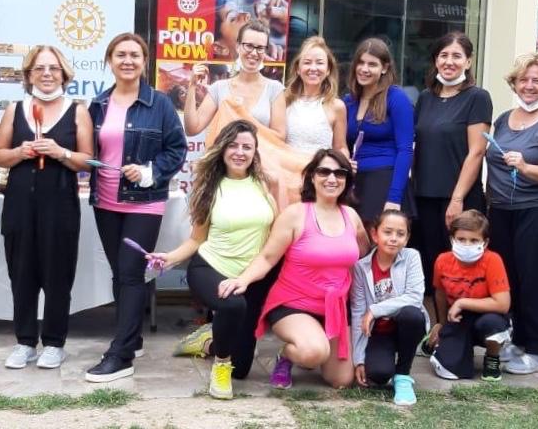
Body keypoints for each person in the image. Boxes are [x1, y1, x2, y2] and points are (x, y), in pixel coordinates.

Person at [218, 150, 370, 389]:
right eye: (324, 172)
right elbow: (267, 258)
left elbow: (364, 253)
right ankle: (287, 356)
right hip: (294, 303)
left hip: (335, 307)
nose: (332, 178)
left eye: (339, 173)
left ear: (346, 180)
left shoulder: (351, 216)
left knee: (341, 380)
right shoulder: (295, 214)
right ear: (312, 177)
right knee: (313, 352)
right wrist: (243, 280)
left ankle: (314, 341)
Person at [148, 120, 277, 399]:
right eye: (233, 145)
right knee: (232, 305)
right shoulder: (209, 188)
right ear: (222, 149)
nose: (240, 152)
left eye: (247, 147)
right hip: (212, 267)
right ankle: (220, 365)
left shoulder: (265, 184)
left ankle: (208, 340)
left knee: (242, 368)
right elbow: (197, 240)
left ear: (255, 152)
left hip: (252, 276)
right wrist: (169, 258)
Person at [86, 33, 188, 382]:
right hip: (105, 200)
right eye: (120, 55)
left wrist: (149, 171)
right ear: (109, 60)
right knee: (120, 272)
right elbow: (89, 150)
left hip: (144, 201)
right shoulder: (98, 103)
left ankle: (121, 354)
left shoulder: (160, 104)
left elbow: (177, 149)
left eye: (135, 55)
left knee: (131, 272)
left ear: (145, 62)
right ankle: (132, 336)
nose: (127, 61)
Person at [0, 45, 93, 370]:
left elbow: (87, 161)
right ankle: (24, 341)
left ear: (64, 74)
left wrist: (61, 152)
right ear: (28, 75)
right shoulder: (15, 109)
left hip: (60, 207)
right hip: (19, 205)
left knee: (58, 274)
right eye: (39, 68)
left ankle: (54, 342)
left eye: (53, 68)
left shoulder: (77, 111)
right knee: (21, 274)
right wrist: (19, 152)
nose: (47, 74)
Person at [484, 52, 538, 376]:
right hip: (501, 210)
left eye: (537, 80)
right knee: (508, 279)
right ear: (514, 83)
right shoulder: (503, 119)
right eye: (524, 80)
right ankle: (515, 341)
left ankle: (534, 349)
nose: (529, 86)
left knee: (533, 280)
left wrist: (525, 167)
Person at [412, 32, 492, 308]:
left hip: (459, 199)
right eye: (443, 55)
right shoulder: (425, 98)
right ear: (435, 60)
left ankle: (463, 327)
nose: (449, 61)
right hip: (424, 197)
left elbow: (476, 151)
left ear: (468, 61)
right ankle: (436, 326)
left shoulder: (477, 97)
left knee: (463, 271)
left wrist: (457, 199)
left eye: (457, 56)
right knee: (431, 269)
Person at [350, 210, 428, 406]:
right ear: (374, 234)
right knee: (378, 374)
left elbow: (415, 298)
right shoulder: (361, 267)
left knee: (412, 314)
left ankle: (403, 375)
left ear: (407, 238)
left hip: (406, 328)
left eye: (400, 234)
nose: (394, 238)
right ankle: (385, 363)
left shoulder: (411, 257)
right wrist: (359, 359)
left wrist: (375, 310)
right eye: (388, 232)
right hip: (379, 332)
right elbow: (358, 312)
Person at [426, 210, 511, 382]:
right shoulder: (442, 260)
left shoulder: (493, 260)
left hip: (487, 315)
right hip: (458, 319)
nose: (467, 244)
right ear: (452, 239)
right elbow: (440, 293)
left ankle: (492, 357)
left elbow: (503, 304)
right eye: (461, 239)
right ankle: (456, 349)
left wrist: (462, 302)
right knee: (449, 370)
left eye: (474, 240)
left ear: (485, 242)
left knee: (492, 324)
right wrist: (441, 324)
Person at [343, 38, 414, 228]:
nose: (364, 69)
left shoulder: (396, 98)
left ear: (384, 68)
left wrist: (394, 197)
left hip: (384, 180)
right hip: (355, 182)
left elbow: (405, 150)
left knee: (379, 240)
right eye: (361, 62)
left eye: (372, 64)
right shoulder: (349, 101)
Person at [185, 20, 285, 135]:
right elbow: (192, 129)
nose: (254, 53)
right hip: (223, 148)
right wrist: (192, 86)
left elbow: (280, 136)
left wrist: (243, 124)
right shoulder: (219, 88)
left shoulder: (275, 89)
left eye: (260, 48)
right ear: (238, 46)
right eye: (249, 46)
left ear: (265, 50)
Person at [269, 36, 348, 156]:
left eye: (319, 63)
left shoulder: (337, 106)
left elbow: (341, 147)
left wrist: (345, 160)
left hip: (320, 167)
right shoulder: (282, 100)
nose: (313, 68)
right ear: (298, 69)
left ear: (328, 70)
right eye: (307, 62)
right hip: (287, 166)